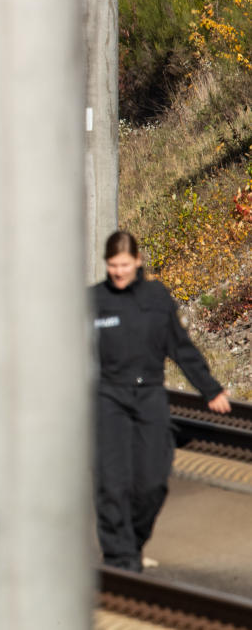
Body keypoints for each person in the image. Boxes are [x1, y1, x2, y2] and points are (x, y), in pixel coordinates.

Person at [91, 230, 231, 572]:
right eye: (112, 266)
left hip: (149, 395)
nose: (118, 272)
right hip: (108, 397)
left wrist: (210, 389)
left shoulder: (156, 298)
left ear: (137, 262)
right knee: (112, 482)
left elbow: (181, 347)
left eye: (124, 265)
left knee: (152, 482)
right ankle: (120, 560)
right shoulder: (92, 302)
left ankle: (132, 543)